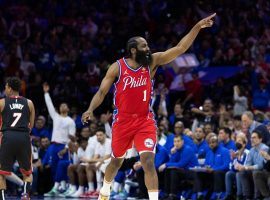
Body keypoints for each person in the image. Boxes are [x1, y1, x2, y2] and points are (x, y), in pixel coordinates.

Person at [82, 13, 216, 200]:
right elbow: (102, 92)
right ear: (133, 50)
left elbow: (181, 47)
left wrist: (197, 26)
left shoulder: (152, 62)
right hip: (122, 121)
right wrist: (90, 109)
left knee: (148, 161)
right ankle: (105, 190)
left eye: (147, 44)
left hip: (145, 120)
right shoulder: (117, 67)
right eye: (144, 45)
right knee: (116, 161)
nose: (148, 47)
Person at [0, 77, 35, 200]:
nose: (5, 89)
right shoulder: (29, 103)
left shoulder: (2, 102)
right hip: (23, 137)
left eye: (5, 86)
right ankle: (25, 194)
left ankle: (3, 198)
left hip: (7, 136)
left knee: (1, 172)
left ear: (9, 88)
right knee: (27, 172)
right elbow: (31, 125)